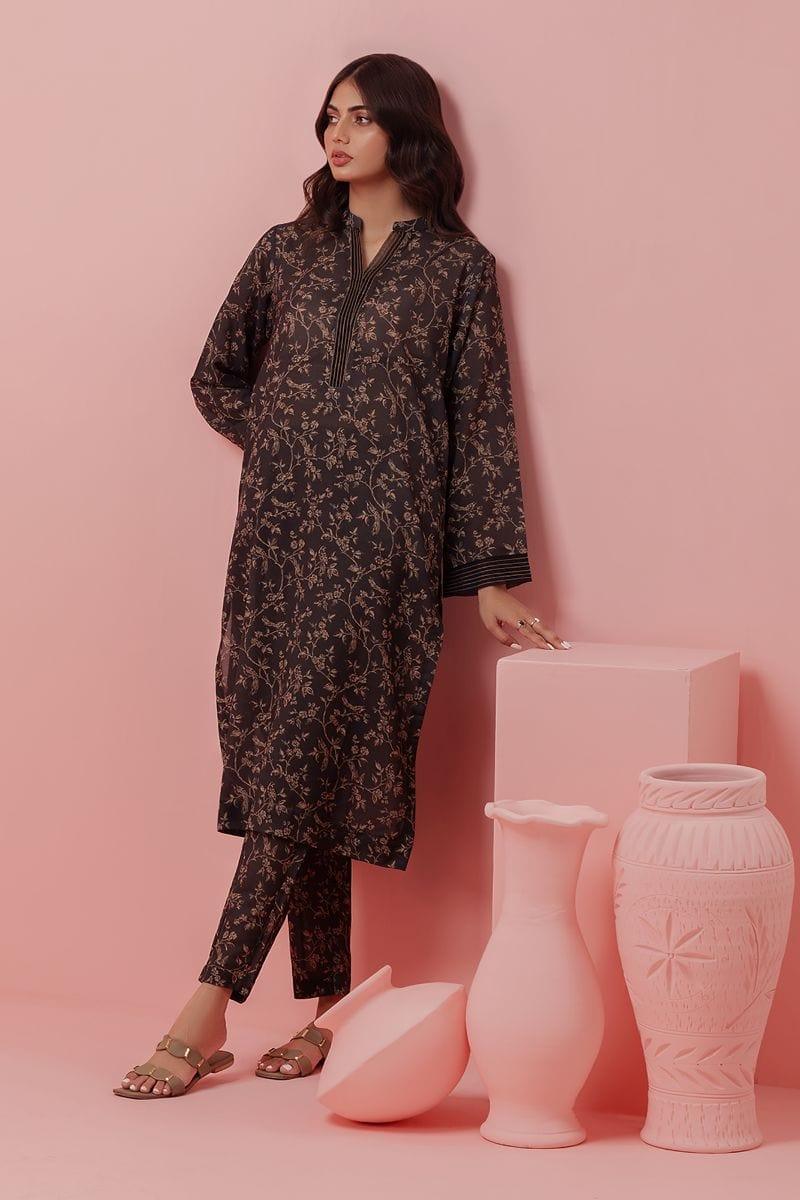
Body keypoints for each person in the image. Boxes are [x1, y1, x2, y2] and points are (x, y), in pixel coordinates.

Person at [114, 52, 569, 1100]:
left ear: (407, 131)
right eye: (329, 116)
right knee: (297, 756)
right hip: (275, 543)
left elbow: (481, 425)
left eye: (361, 117)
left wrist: (492, 573)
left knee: (302, 755)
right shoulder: (285, 251)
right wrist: (282, 439)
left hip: (383, 553)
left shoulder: (457, 271)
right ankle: (327, 1010)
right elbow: (215, 374)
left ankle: (206, 1007)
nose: (337, 133)